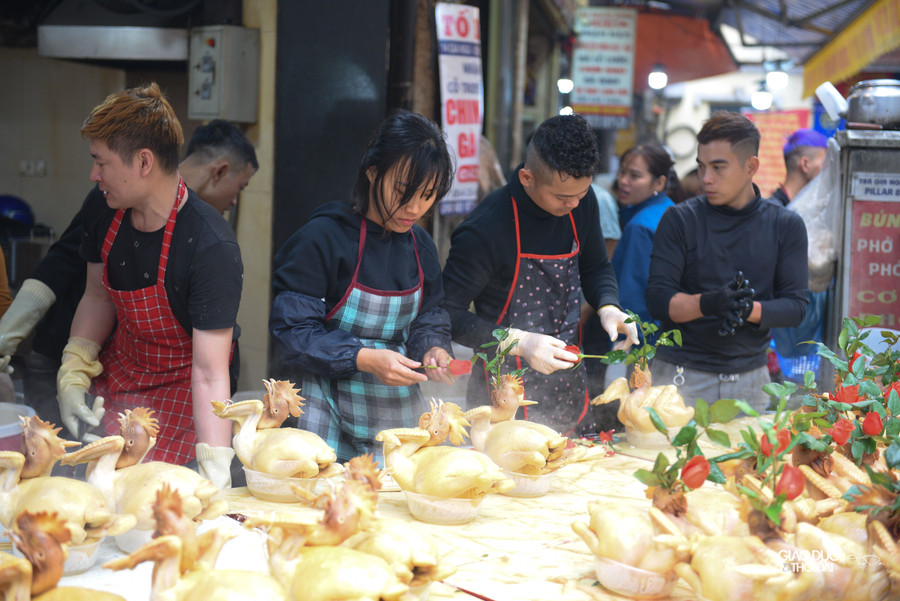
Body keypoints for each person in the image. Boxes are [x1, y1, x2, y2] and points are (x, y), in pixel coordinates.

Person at [0, 120, 257, 434]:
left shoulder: (207, 236)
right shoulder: (111, 198)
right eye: (240, 187)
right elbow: (65, 264)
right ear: (219, 171)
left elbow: (209, 365)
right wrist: (10, 334)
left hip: (145, 381)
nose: (234, 201)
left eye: (101, 162)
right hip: (71, 354)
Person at [55, 83, 243, 488]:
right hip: (121, 378)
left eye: (101, 163)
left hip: (184, 390)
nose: (94, 175)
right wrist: (74, 368)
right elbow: (96, 294)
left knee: (157, 502)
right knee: (96, 494)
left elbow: (210, 373)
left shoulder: (210, 246)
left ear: (143, 162)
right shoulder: (103, 207)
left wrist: (215, 467)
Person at [270, 111, 455, 463]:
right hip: (320, 420)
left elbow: (428, 316)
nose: (415, 207)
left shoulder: (421, 247)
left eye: (428, 195)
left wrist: (432, 348)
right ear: (372, 172)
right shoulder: (321, 239)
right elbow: (292, 332)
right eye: (403, 191)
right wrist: (364, 358)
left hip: (397, 425)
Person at [441, 114, 638, 437]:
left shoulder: (581, 203)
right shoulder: (485, 229)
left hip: (570, 383)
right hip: (503, 395)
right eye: (562, 198)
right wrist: (519, 342)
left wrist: (608, 305)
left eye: (581, 193)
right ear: (527, 177)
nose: (574, 204)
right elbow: (448, 314)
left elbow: (596, 266)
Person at [646, 111, 809, 413]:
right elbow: (658, 300)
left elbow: (796, 307)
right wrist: (710, 303)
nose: (706, 178)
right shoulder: (680, 219)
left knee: (744, 462)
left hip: (750, 381)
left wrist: (746, 309)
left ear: (751, 166)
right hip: (680, 376)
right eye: (702, 167)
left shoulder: (785, 225)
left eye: (718, 167)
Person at [769, 129, 830, 383]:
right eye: (824, 165)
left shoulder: (817, 212)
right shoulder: (772, 213)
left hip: (814, 342)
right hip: (786, 344)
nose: (828, 174)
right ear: (805, 164)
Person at [768, 129, 828, 208]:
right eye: (823, 164)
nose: (826, 170)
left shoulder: (799, 208)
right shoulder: (774, 213)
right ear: (805, 164)